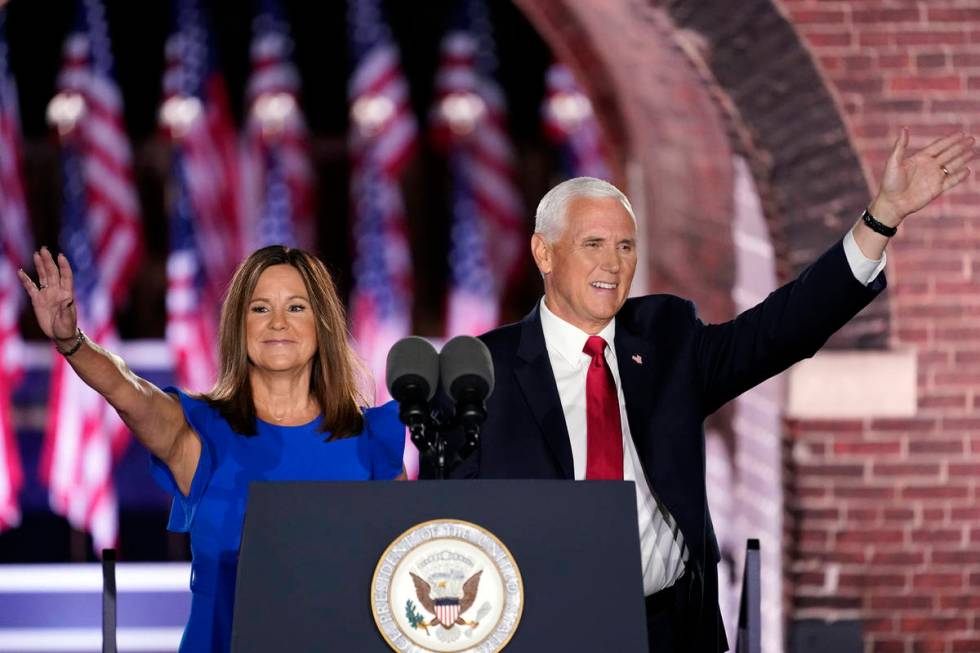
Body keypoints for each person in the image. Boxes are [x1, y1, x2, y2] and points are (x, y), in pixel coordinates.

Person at [449, 129, 975, 651]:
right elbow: (451, 528)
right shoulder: (482, 370)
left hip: (669, 629)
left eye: (625, 246)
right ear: (544, 253)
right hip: (542, 632)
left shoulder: (667, 338)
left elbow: (780, 329)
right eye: (593, 245)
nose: (612, 264)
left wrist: (880, 219)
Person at [17, 245, 406, 653]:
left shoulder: (372, 439)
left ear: (322, 323)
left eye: (296, 307)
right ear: (239, 326)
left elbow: (401, 573)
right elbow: (129, 390)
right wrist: (72, 341)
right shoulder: (202, 432)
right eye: (259, 309)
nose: (277, 323)